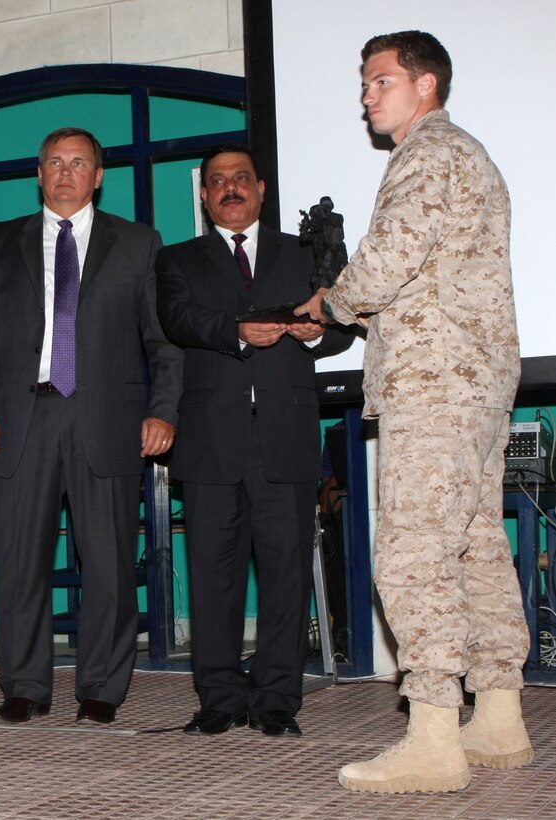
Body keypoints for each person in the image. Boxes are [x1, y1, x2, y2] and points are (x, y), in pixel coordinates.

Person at [296, 30, 531, 794]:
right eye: (364, 83)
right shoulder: (469, 154)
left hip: (434, 382)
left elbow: (391, 256)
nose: (367, 94)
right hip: (477, 381)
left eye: (381, 80)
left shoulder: (427, 152)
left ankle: (432, 738)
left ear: (425, 84)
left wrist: (329, 302)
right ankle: (497, 717)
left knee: (411, 548)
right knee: (473, 546)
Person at [0, 127, 183, 725]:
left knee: (107, 562)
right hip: (18, 419)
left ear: (98, 176)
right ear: (38, 172)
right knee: (18, 560)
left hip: (106, 418)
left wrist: (163, 409)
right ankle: (24, 687)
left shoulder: (139, 244)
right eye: (54, 161)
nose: (65, 172)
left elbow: (161, 339)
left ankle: (101, 689)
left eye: (78, 162)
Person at [156, 144, 351, 740]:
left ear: (262, 189)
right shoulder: (177, 258)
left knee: (286, 572)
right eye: (218, 181)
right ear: (204, 194)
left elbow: (342, 332)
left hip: (285, 438)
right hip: (211, 442)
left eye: (242, 178)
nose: (230, 188)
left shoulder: (304, 254)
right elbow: (177, 319)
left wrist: (319, 333)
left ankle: (275, 701)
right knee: (214, 575)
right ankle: (217, 697)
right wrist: (238, 332)